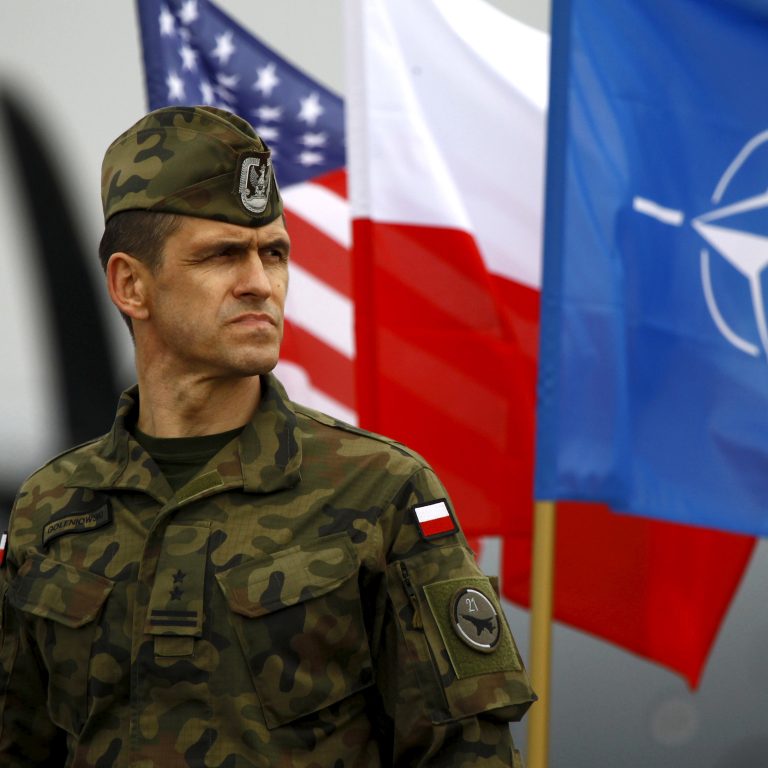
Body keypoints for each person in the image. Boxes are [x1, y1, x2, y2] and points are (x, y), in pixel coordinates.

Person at [0, 106, 534, 767]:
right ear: (130, 285)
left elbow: (466, 752)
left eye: (272, 253)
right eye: (222, 255)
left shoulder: (382, 493)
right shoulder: (49, 510)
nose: (260, 284)